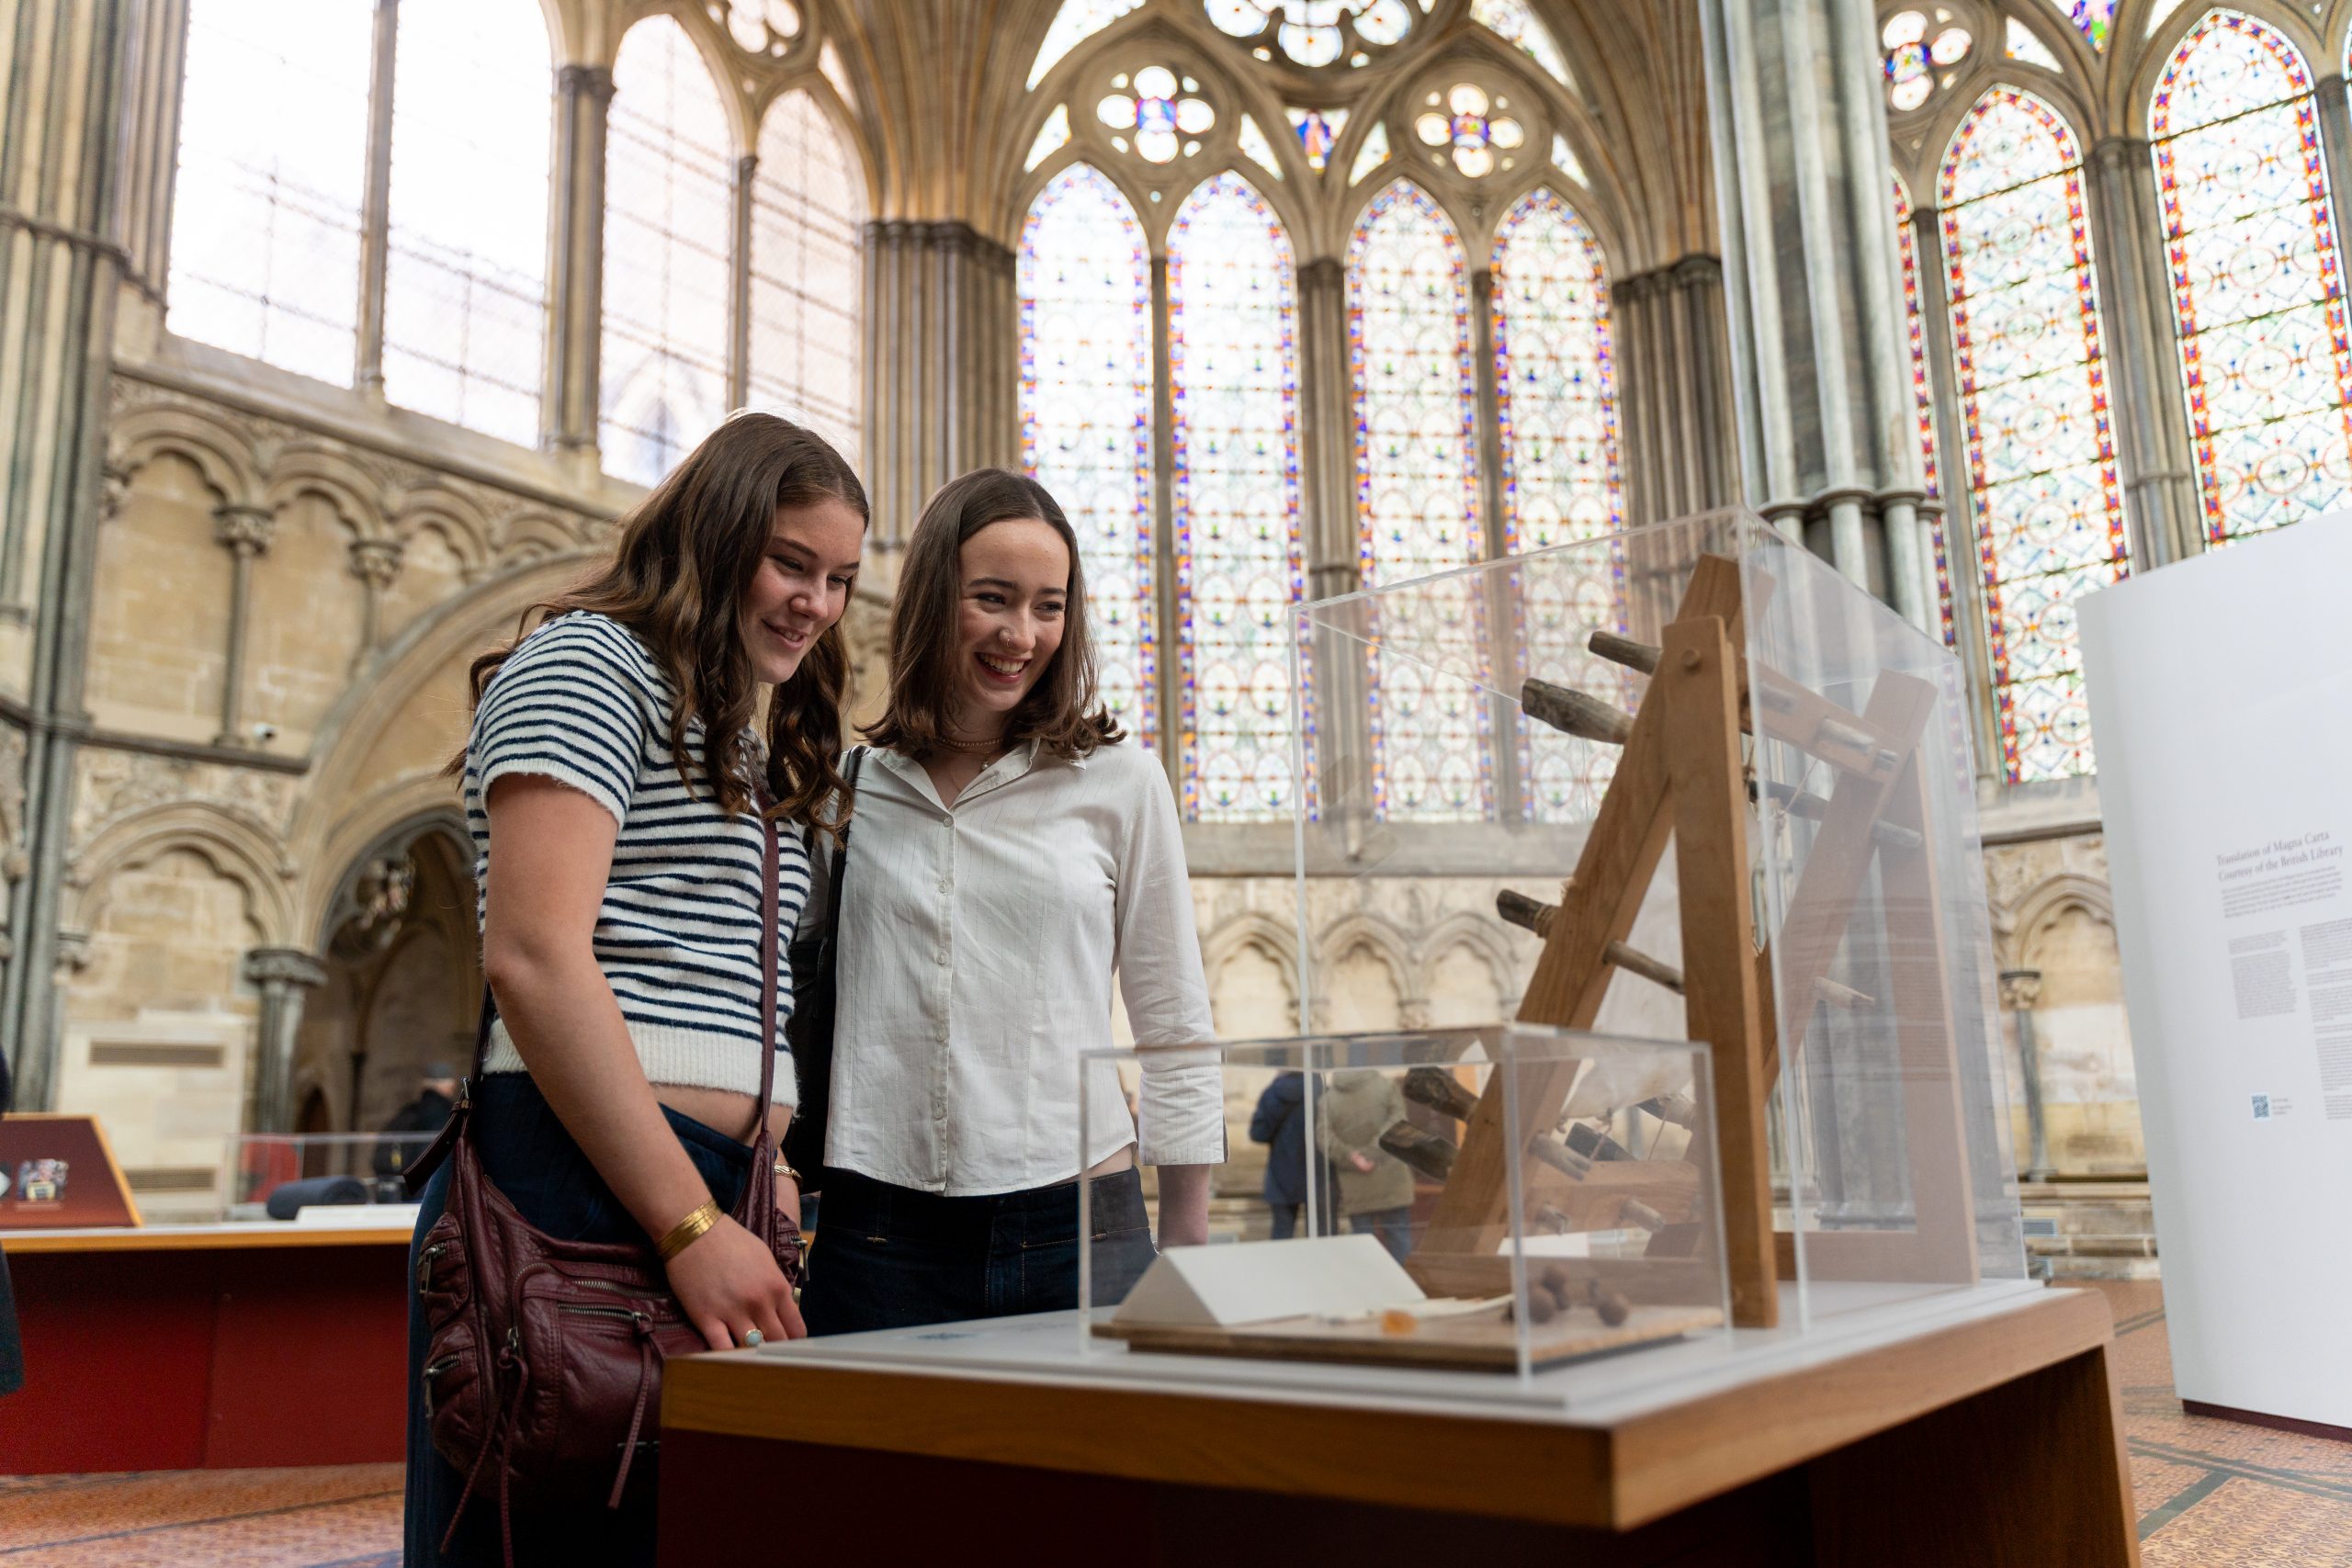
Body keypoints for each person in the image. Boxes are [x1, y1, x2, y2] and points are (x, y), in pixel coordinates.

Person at [404, 413, 866, 1566]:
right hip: (583, 1173)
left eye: (843, 579)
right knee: (547, 1531)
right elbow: (535, 957)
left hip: (707, 1185)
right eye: (791, 564)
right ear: (713, 540)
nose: (817, 603)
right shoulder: (589, 661)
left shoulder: (738, 725)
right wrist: (689, 1219)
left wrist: (757, 1176)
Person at [798, 468, 1222, 1336]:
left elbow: (1175, 1025)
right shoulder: (845, 790)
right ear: (929, 601)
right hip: (878, 1235)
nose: (1020, 634)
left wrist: (1187, 1254)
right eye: (991, 598)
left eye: (1048, 605)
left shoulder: (1122, 783)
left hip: (1083, 1229)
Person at [1317, 1068, 1415, 1262]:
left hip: (1355, 1184)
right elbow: (1399, 1121)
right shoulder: (1386, 1086)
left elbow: (1324, 1137)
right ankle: (1406, 1288)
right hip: (1391, 1177)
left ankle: (1371, 1290)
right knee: (1399, 1238)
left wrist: (1353, 1156)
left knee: (1364, 1246)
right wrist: (1373, 1151)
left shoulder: (1327, 1100)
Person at [1248, 1071, 1334, 1240]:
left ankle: (1280, 1267)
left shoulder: (1273, 1093)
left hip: (1282, 1173)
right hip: (1319, 1173)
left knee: (1282, 1235)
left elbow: (1258, 1133)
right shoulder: (1324, 1090)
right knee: (1322, 1237)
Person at [371, 1062, 457, 1179]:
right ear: (448, 1086)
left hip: (406, 1177)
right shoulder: (444, 1112)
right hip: (427, 1178)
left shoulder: (412, 1110)